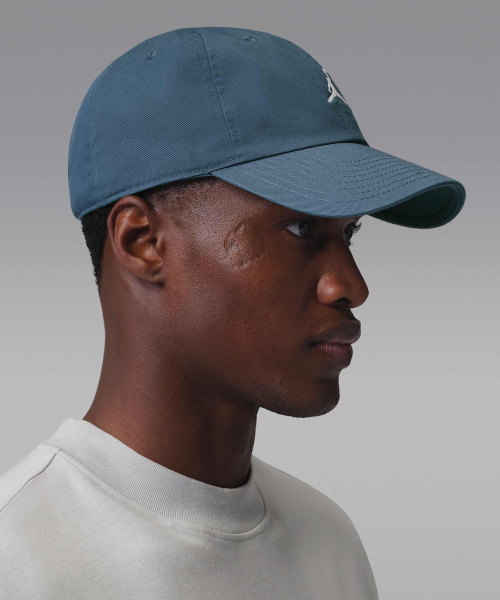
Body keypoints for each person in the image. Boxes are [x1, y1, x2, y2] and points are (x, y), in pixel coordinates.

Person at [0, 27, 465, 599]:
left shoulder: (329, 543)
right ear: (143, 242)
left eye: (349, 234)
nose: (350, 286)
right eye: (301, 229)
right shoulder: (17, 559)